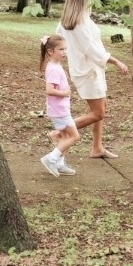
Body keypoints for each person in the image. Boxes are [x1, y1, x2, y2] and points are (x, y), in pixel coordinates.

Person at [55, 0, 128, 159]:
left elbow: (58, 39)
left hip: (91, 70)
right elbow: (92, 50)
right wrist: (116, 61)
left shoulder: (75, 19)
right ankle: (59, 132)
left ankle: (97, 148)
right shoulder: (76, 23)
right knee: (97, 112)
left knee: (101, 108)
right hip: (87, 72)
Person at [39, 34, 78, 177]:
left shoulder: (55, 65)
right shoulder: (53, 69)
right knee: (74, 136)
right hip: (59, 111)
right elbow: (49, 90)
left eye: (65, 49)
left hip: (59, 109)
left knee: (65, 136)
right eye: (61, 49)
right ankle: (51, 159)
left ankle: (60, 165)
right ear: (50, 51)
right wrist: (65, 93)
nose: (64, 52)